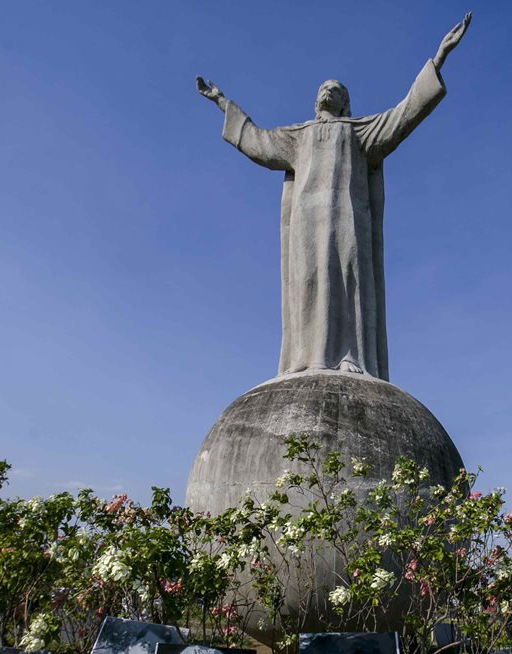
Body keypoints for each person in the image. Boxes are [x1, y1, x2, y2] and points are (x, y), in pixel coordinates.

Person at [195, 14, 471, 381]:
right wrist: (221, 102)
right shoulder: (299, 135)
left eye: (337, 89)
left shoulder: (358, 133)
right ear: (316, 102)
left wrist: (438, 59)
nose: (329, 90)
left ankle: (349, 355)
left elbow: (404, 114)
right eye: (325, 88)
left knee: (349, 279)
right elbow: (257, 142)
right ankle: (305, 357)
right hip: (307, 223)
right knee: (307, 280)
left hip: (347, 220)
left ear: (345, 104)